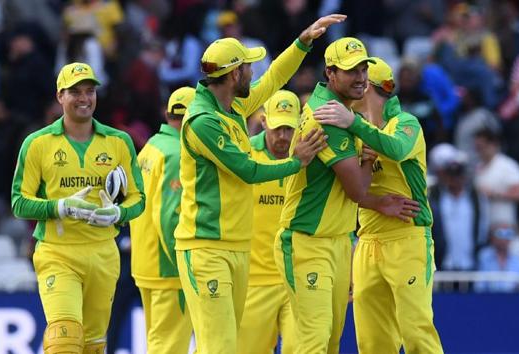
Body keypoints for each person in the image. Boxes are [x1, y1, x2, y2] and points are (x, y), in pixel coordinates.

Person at [174, 14, 345, 354]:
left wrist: (302, 43)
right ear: (234, 73)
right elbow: (248, 170)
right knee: (219, 347)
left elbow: (273, 80)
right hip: (206, 248)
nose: (254, 71)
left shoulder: (231, 106)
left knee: (228, 347)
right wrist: (297, 161)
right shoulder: (203, 121)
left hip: (237, 247)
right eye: (248, 67)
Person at [275, 38, 420, 354]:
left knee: (328, 342)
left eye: (363, 68)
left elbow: (341, 188)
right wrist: (368, 160)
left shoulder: (342, 111)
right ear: (330, 72)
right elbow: (356, 190)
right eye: (350, 70)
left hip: (337, 241)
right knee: (313, 339)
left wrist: (377, 200)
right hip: (307, 239)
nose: (360, 77)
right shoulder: (328, 116)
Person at [11, 62, 145, 354]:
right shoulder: (37, 144)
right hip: (58, 252)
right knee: (65, 340)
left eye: (89, 91)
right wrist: (60, 207)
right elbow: (19, 203)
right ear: (60, 96)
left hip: (103, 254)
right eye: (75, 92)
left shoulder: (119, 142)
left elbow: (139, 199)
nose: (84, 98)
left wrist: (118, 213)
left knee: (94, 344)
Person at [314, 57, 443, 353]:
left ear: (370, 86)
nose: (355, 84)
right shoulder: (357, 133)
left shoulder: (405, 123)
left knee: (416, 332)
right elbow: (350, 192)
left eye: (361, 77)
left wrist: (354, 123)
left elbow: (396, 149)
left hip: (407, 239)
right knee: (372, 342)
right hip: (367, 243)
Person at [129, 86, 195, 354]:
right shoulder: (177, 153)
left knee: (158, 343)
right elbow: (169, 215)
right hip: (169, 268)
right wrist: (184, 266)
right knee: (169, 347)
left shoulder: (152, 147)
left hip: (146, 262)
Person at [236, 90, 300, 354]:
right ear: (263, 122)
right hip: (254, 282)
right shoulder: (244, 156)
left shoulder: (311, 158)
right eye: (277, 128)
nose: (283, 137)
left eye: (289, 128)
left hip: (298, 280)